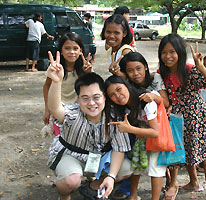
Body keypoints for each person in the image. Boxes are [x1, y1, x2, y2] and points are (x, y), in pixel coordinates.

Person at [46, 57, 132, 200]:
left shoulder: (114, 117)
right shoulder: (73, 113)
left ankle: (94, 186)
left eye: (96, 97)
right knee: (71, 180)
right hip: (71, 154)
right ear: (78, 99)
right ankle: (64, 195)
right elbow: (55, 108)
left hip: (99, 157)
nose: (91, 103)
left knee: (127, 168)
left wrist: (111, 176)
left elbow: (119, 148)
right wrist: (56, 82)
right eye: (85, 98)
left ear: (104, 97)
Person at [158, 34, 206, 200]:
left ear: (180, 52)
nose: (168, 56)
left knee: (205, 159)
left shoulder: (189, 69)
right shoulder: (161, 72)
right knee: (178, 154)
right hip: (176, 120)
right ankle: (187, 183)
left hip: (196, 118)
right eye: (164, 52)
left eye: (172, 52)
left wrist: (201, 67)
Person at [105, 75, 167, 200]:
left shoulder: (145, 99)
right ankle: (132, 196)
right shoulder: (123, 106)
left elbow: (156, 132)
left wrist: (130, 129)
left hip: (158, 139)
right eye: (112, 95)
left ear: (127, 86)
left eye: (119, 89)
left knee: (156, 169)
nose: (117, 96)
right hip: (141, 138)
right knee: (136, 166)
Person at [43, 32, 92, 136]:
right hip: (59, 110)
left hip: (80, 111)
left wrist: (89, 74)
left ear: (80, 51)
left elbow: (93, 89)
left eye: (75, 48)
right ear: (61, 51)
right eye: (67, 48)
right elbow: (47, 86)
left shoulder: (86, 68)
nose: (72, 52)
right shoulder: (55, 68)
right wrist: (47, 109)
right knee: (61, 140)